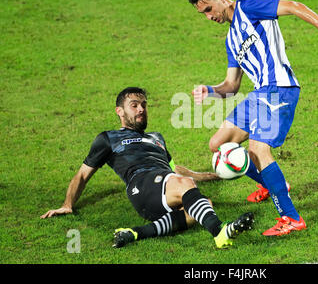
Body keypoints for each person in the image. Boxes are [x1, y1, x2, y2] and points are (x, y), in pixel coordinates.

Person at [187, 0, 318, 236]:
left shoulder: (249, 7)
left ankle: (291, 218)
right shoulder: (231, 40)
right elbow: (231, 85)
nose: (209, 17)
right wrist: (209, 90)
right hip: (259, 93)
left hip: (279, 89)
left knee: (257, 149)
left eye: (208, 9)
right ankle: (271, 183)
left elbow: (294, 6)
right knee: (218, 143)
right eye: (203, 14)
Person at [40, 87, 254, 249]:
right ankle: (219, 233)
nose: (141, 109)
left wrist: (213, 175)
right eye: (134, 105)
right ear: (120, 111)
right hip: (140, 186)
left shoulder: (156, 138)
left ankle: (134, 233)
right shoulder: (108, 138)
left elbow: (175, 170)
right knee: (186, 187)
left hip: (164, 184)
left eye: (143, 105)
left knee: (203, 205)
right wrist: (67, 204)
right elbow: (83, 174)